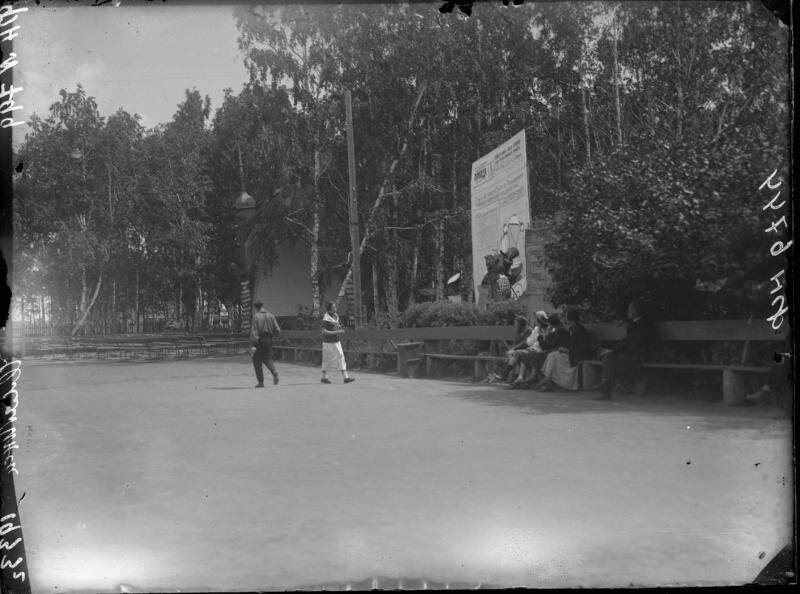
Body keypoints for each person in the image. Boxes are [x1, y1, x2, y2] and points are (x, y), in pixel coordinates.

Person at [594, 301, 653, 400]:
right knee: (609, 356)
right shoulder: (633, 323)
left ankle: (606, 387)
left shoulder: (644, 324)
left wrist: (620, 348)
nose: (628, 312)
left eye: (630, 309)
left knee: (612, 358)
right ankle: (605, 386)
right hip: (630, 351)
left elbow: (638, 342)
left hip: (639, 353)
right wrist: (618, 347)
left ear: (636, 310)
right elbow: (630, 340)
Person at [536, 308, 596, 391]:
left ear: (570, 319)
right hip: (573, 354)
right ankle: (548, 381)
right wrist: (564, 349)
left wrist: (568, 350)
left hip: (579, 355)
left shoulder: (580, 330)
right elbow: (571, 344)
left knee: (552, 356)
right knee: (552, 355)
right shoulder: (573, 329)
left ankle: (547, 380)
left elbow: (584, 347)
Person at [506, 312, 549, 387]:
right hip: (533, 349)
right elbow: (529, 341)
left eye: (537, 320)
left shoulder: (544, 329)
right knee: (519, 353)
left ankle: (519, 377)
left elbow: (540, 344)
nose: (535, 321)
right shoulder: (535, 329)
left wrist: (541, 334)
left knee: (520, 354)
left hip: (539, 350)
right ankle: (517, 377)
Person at [320, 301, 355, 384]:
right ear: (329, 310)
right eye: (333, 308)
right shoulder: (326, 319)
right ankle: (324, 377)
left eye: (335, 307)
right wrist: (337, 332)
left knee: (341, 356)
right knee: (327, 359)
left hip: (336, 341)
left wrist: (341, 328)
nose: (335, 309)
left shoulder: (336, 316)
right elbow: (323, 331)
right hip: (328, 343)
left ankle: (345, 377)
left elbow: (337, 326)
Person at [250, 301, 280, 388]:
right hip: (269, 339)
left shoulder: (256, 317)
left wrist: (253, 344)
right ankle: (274, 371)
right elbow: (277, 329)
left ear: (256, 308)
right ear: (263, 306)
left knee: (257, 360)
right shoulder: (271, 316)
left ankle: (261, 382)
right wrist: (272, 337)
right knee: (267, 358)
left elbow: (254, 332)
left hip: (260, 339)